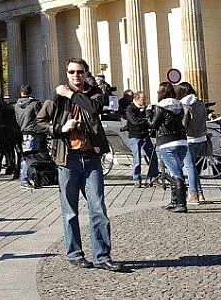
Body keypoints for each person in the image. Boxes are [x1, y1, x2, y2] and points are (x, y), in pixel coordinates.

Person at [36, 58, 125, 272]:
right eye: (72, 72)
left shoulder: (94, 93)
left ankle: (102, 256)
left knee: (98, 208)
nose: (76, 75)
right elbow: (38, 122)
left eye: (80, 72)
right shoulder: (56, 97)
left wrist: (70, 94)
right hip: (68, 160)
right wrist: (60, 128)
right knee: (70, 212)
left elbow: (93, 108)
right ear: (66, 73)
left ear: (86, 73)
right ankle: (75, 254)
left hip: (91, 158)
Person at [150, 82, 188, 212]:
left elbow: (153, 125)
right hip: (182, 142)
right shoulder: (180, 105)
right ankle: (174, 201)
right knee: (174, 171)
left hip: (168, 143)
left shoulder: (160, 106)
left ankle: (181, 204)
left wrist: (148, 113)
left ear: (162, 92)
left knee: (176, 173)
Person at [175, 81, 208, 204]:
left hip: (188, 138)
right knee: (192, 166)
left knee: (190, 167)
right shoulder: (200, 103)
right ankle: (200, 193)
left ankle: (193, 194)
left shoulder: (184, 105)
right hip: (200, 137)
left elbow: (183, 123)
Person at [124, 91, 159, 188]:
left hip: (145, 135)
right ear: (137, 99)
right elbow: (134, 121)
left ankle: (154, 178)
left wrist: (149, 114)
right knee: (137, 159)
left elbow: (151, 121)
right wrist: (146, 119)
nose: (145, 101)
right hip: (135, 136)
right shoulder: (131, 108)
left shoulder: (146, 108)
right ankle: (137, 179)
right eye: (143, 99)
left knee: (153, 157)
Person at [14, 85, 44, 189]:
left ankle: (28, 178)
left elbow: (17, 119)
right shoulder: (35, 104)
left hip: (23, 132)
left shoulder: (17, 105)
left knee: (26, 156)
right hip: (33, 132)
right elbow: (40, 118)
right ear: (31, 92)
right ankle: (24, 179)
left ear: (21, 92)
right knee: (30, 157)